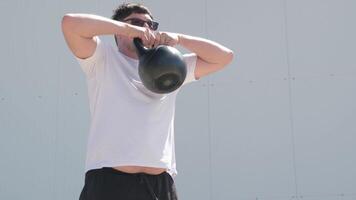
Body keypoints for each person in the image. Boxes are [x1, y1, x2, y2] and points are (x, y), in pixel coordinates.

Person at [61, 2, 233, 200]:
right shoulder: (102, 58)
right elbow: (70, 24)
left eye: (151, 25)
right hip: (109, 183)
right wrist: (129, 29)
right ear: (118, 30)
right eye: (136, 22)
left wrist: (179, 39)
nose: (145, 28)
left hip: (160, 186)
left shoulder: (169, 65)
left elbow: (224, 57)